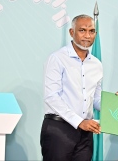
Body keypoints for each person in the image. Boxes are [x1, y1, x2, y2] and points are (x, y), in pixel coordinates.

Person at [40, 14, 102, 161]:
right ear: (71, 32)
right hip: (58, 129)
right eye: (82, 30)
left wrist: (115, 105)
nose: (87, 35)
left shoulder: (97, 65)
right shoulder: (57, 58)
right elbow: (51, 96)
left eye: (92, 31)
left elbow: (96, 99)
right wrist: (79, 122)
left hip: (86, 134)